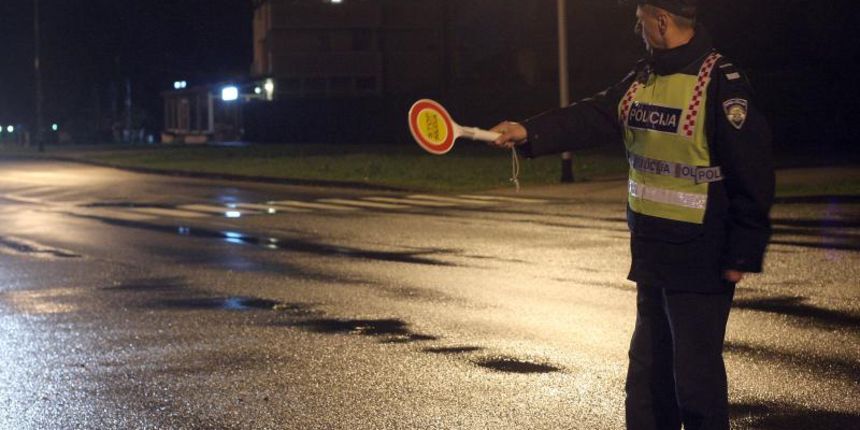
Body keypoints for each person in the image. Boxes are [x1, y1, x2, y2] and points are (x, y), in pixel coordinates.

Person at [489, 1, 774, 429]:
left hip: (701, 258)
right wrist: (529, 132)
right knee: (645, 378)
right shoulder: (643, 78)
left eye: (640, 19)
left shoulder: (719, 82)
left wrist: (741, 253)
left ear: (661, 22)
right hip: (652, 253)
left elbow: (752, 169)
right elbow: (596, 115)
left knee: (696, 384)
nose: (636, 28)